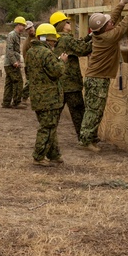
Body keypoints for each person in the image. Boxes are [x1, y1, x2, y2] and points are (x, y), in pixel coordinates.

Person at [78, 0, 128, 151]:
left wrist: (121, 4)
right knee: (94, 111)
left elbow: (111, 20)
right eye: (108, 23)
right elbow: (125, 24)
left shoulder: (100, 33)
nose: (111, 23)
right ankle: (86, 140)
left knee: (94, 109)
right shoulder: (109, 37)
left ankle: (90, 136)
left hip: (96, 77)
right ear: (104, 28)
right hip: (98, 79)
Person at [26, 23, 69, 167]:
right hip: (49, 98)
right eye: (53, 40)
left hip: (38, 97)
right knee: (48, 127)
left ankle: (54, 155)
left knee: (50, 126)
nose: (54, 42)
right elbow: (57, 72)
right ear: (47, 39)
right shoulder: (47, 54)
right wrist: (62, 62)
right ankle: (38, 156)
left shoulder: (31, 52)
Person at [49, 10, 93, 141]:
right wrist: (99, 38)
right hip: (71, 84)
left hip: (59, 82)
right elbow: (83, 49)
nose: (69, 23)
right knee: (79, 112)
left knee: (55, 113)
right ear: (61, 24)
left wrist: (90, 36)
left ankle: (48, 137)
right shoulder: (66, 39)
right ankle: (85, 139)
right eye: (67, 22)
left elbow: (77, 44)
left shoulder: (57, 39)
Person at [2, 16, 28, 108]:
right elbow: (10, 50)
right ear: (18, 25)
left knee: (9, 83)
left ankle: (6, 102)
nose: (24, 28)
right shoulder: (12, 35)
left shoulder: (16, 35)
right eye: (23, 25)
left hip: (10, 63)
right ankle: (17, 102)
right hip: (11, 64)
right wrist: (14, 62)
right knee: (18, 81)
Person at [21, 21, 35, 102]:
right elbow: (25, 56)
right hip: (30, 65)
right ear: (26, 31)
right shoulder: (27, 43)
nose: (30, 30)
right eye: (28, 29)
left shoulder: (40, 37)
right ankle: (24, 97)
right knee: (30, 82)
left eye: (31, 28)